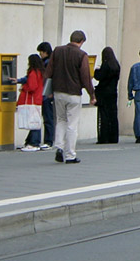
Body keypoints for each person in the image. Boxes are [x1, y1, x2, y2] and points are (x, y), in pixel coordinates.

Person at [43, 30, 96, 163]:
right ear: (82, 41)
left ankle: (59, 147)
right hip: (73, 93)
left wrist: (48, 89)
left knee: (60, 120)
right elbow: (85, 76)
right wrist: (92, 94)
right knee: (72, 124)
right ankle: (70, 154)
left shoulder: (57, 51)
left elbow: (49, 71)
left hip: (58, 92)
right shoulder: (81, 55)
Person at [16, 54, 45, 151]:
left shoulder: (33, 73)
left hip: (31, 100)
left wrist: (23, 87)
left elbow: (32, 87)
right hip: (37, 99)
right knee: (35, 121)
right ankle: (30, 142)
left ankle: (34, 143)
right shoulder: (40, 72)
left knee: (33, 122)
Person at [93, 46, 121, 144]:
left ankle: (104, 137)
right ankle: (114, 137)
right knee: (113, 115)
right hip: (113, 92)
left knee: (103, 115)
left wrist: (96, 70)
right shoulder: (116, 65)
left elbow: (99, 76)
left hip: (103, 93)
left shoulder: (105, 65)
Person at [37, 41, 55, 150]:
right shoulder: (49, 62)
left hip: (46, 94)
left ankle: (48, 141)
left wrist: (50, 92)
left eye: (41, 52)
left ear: (46, 52)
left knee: (48, 117)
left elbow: (49, 78)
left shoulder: (48, 63)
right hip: (46, 93)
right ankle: (48, 140)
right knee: (47, 117)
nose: (40, 54)